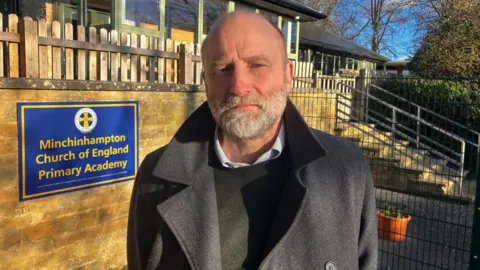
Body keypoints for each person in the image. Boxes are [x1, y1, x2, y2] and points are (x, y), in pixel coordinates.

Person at [127, 11, 377, 270]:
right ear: (205, 82)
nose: (238, 86)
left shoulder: (345, 168)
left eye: (257, 65)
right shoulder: (156, 177)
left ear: (287, 75)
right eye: (222, 69)